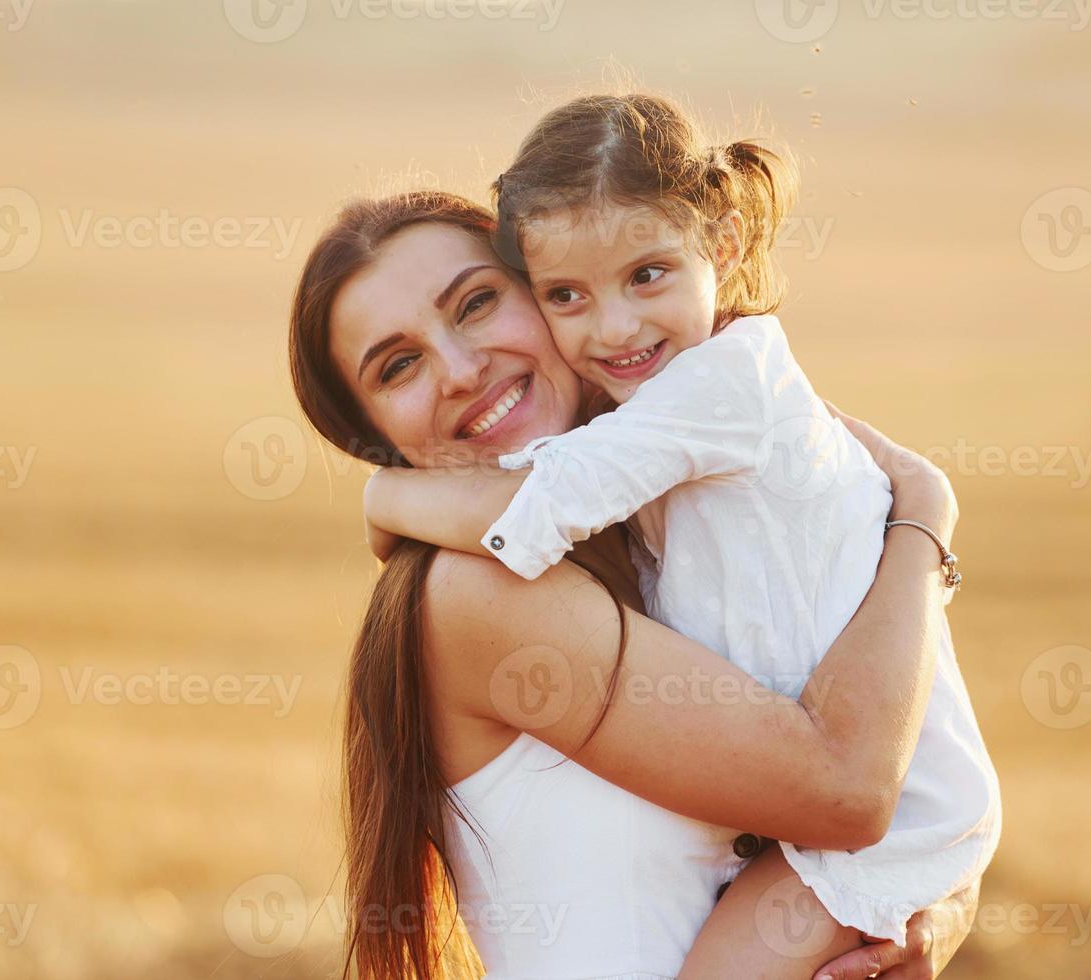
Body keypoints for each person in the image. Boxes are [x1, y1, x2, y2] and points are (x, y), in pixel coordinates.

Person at [361, 94, 1001, 972]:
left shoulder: (706, 399)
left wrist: (384, 499)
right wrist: (925, 513)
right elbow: (842, 789)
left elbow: (541, 502)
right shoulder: (481, 588)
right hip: (873, 820)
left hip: (886, 820)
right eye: (568, 295)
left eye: (648, 275)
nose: (616, 326)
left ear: (725, 246)